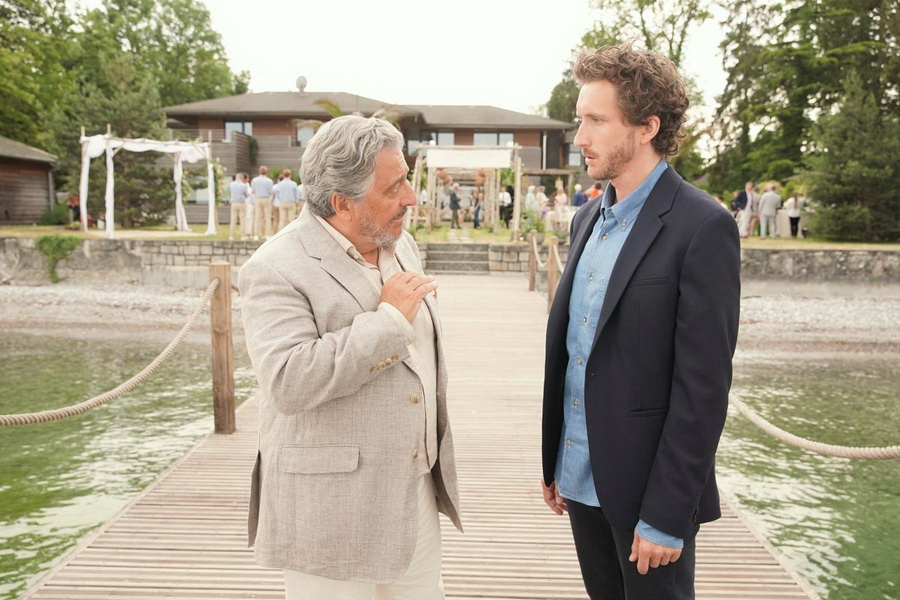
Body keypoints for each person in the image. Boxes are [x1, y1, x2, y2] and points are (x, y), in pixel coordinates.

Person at [541, 43, 740, 600]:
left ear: (647, 127)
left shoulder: (703, 227)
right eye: (579, 120)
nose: (580, 137)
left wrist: (666, 514)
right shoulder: (585, 218)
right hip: (579, 478)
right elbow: (578, 350)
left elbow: (703, 389)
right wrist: (556, 460)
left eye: (596, 121)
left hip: (649, 499)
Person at [239, 115, 462, 600]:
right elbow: (288, 381)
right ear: (343, 203)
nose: (411, 197)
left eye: (406, 179)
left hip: (414, 490)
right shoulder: (274, 267)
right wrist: (390, 320)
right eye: (394, 187)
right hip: (330, 507)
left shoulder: (401, 244)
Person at [250, 166, 274, 240]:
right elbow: (271, 192)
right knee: (267, 218)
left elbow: (252, 191)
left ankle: (256, 235)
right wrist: (270, 200)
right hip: (266, 198)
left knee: (257, 217)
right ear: (266, 172)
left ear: (259, 171)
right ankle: (267, 234)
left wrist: (253, 200)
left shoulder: (254, 180)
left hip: (258, 199)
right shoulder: (269, 181)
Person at [229, 172, 249, 240]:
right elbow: (246, 194)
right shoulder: (244, 185)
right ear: (242, 178)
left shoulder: (231, 184)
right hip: (241, 203)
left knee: (233, 219)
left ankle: (231, 236)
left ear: (236, 177)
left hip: (234, 203)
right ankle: (243, 236)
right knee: (242, 219)